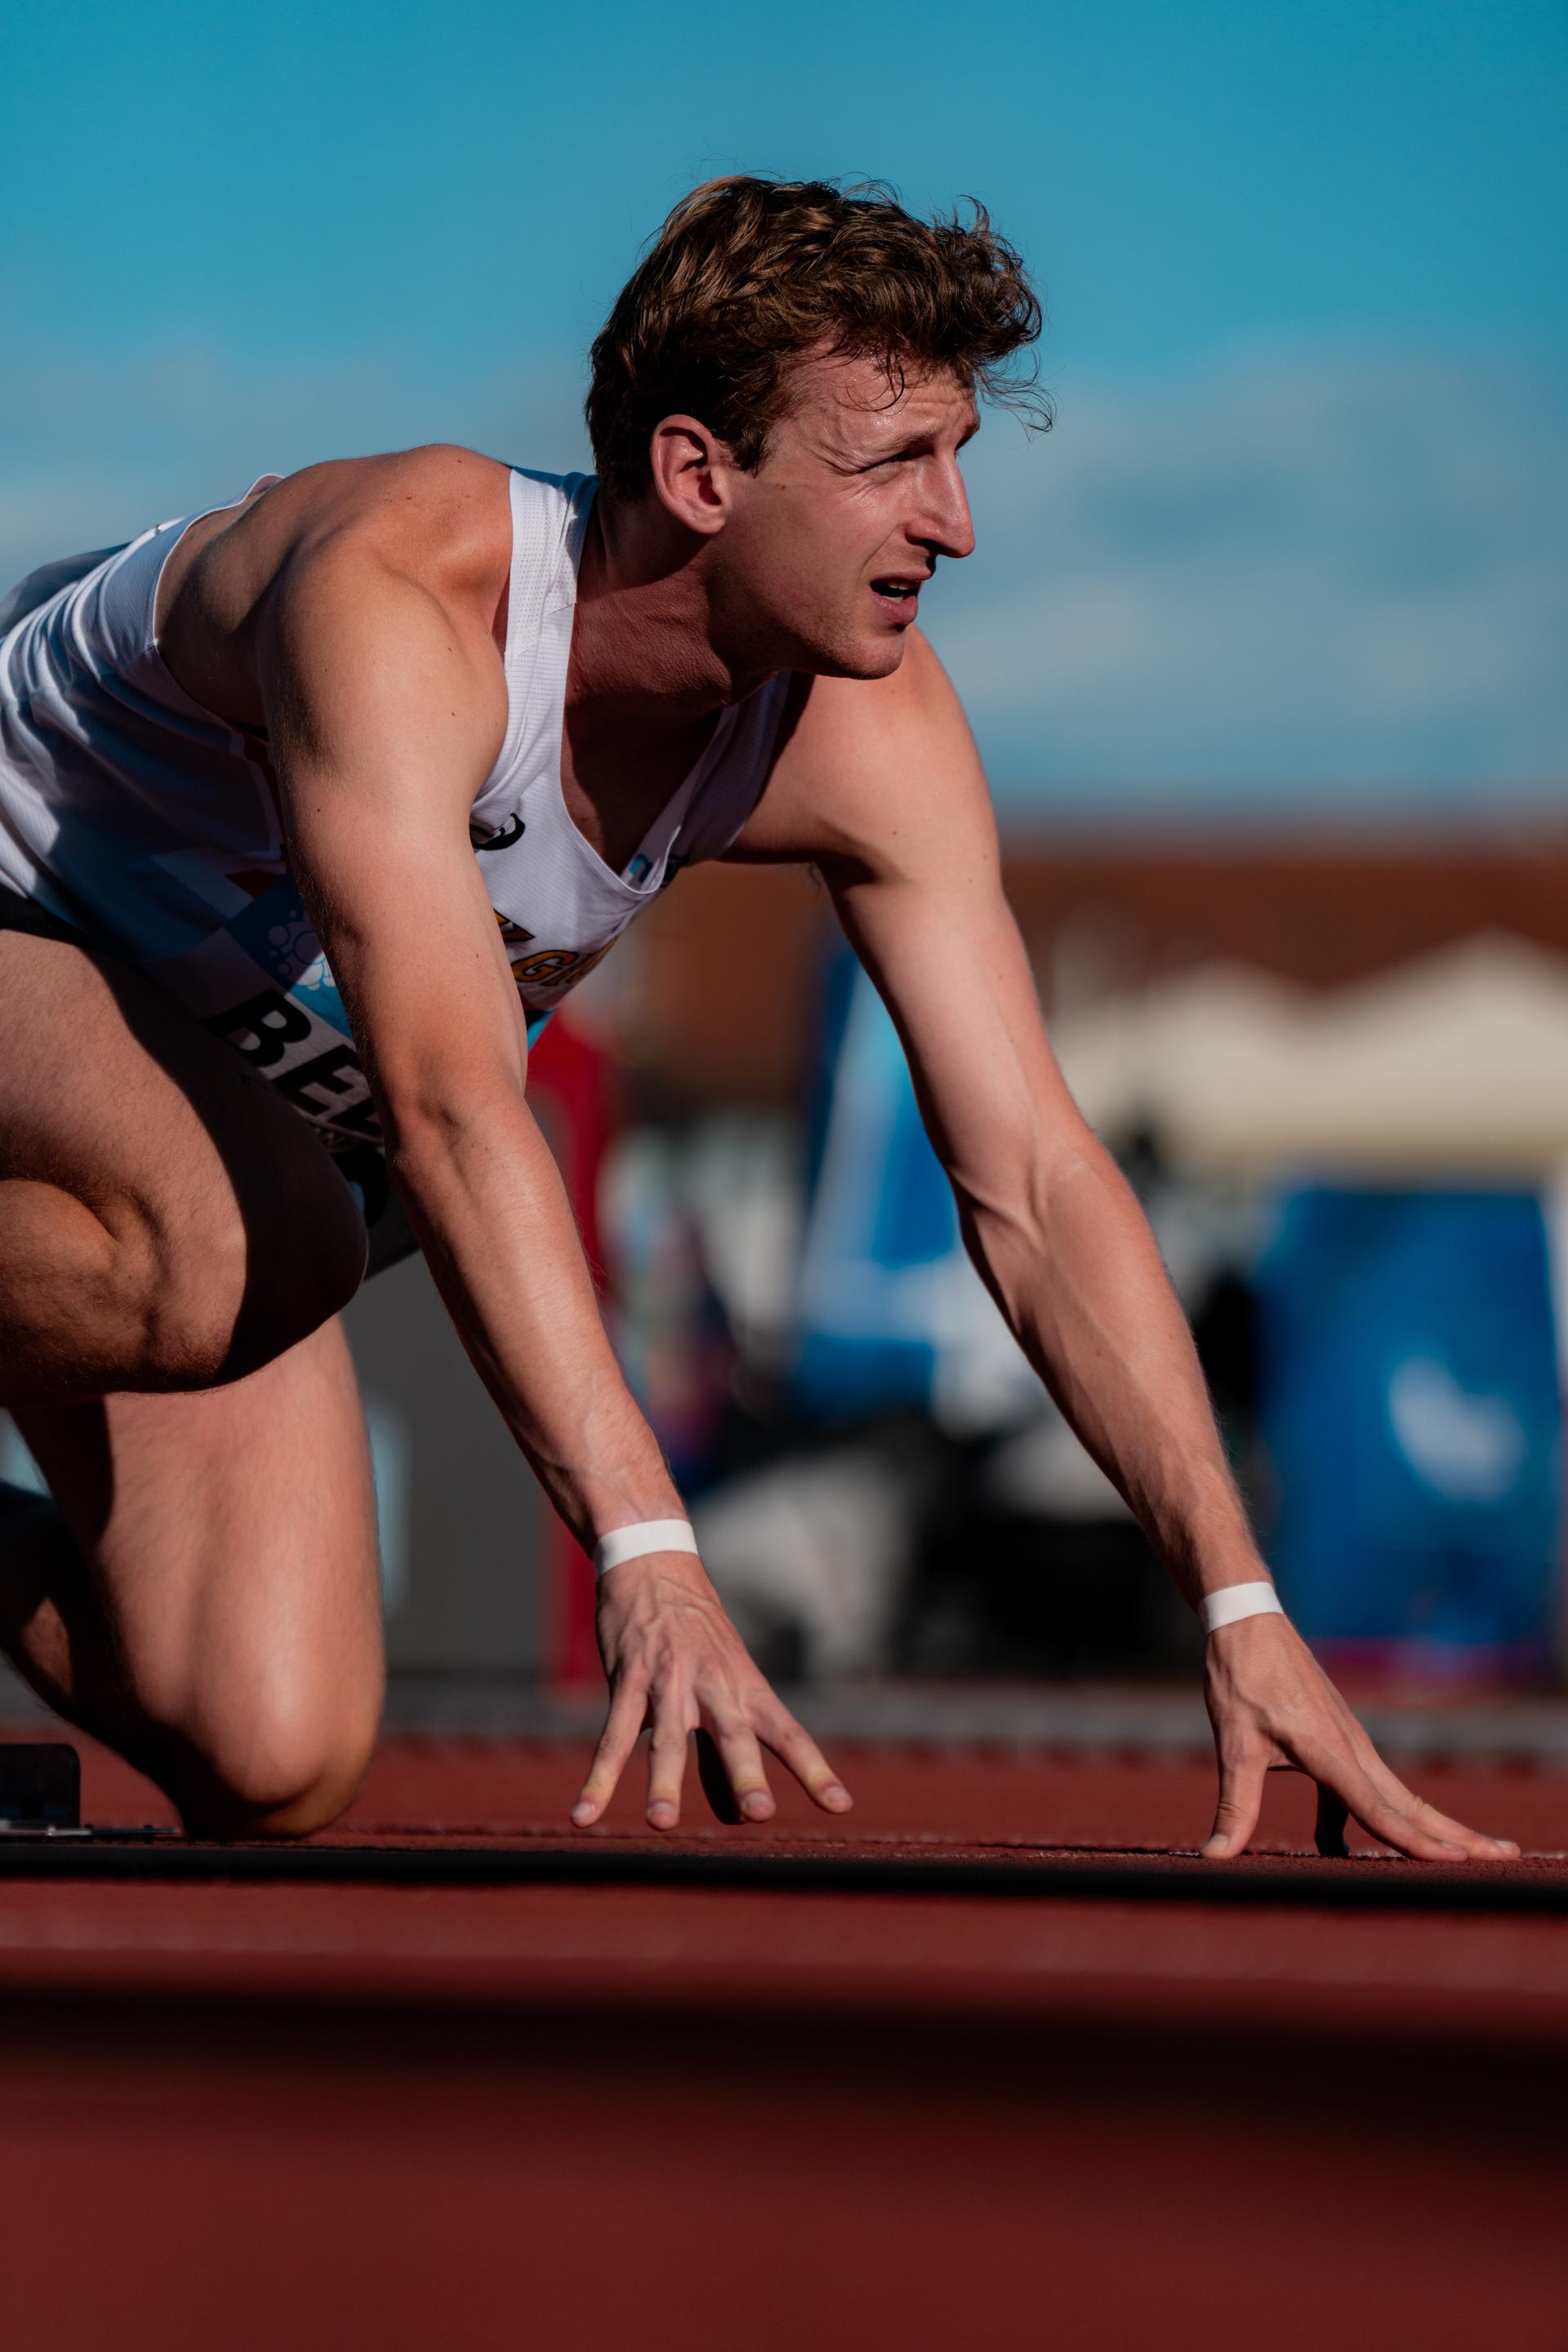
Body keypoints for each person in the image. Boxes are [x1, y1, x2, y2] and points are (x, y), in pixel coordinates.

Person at [0, 176, 1514, 1860]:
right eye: (894, 466)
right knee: (263, 1242)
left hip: (207, 1134)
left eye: (959, 459)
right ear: (699, 473)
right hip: (41, 940)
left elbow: (1034, 1176)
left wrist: (1240, 1602)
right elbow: (447, 1107)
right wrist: (650, 1548)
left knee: (271, 1743)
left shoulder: (870, 736)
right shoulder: (408, 600)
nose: (956, 526)